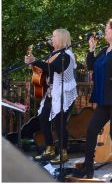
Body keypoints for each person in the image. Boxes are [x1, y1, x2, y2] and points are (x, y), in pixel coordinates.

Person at [73, 19, 112, 182]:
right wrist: (91, 49)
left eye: (108, 28)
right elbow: (92, 66)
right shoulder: (104, 50)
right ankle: (88, 167)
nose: (105, 31)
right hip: (104, 100)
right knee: (91, 130)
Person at [24, 29, 78, 164]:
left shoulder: (67, 55)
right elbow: (47, 70)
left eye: (54, 36)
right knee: (43, 118)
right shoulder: (54, 53)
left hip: (63, 93)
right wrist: (34, 65)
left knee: (60, 124)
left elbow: (55, 68)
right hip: (52, 92)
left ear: (61, 38)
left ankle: (63, 153)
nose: (51, 38)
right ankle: (50, 149)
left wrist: (35, 61)